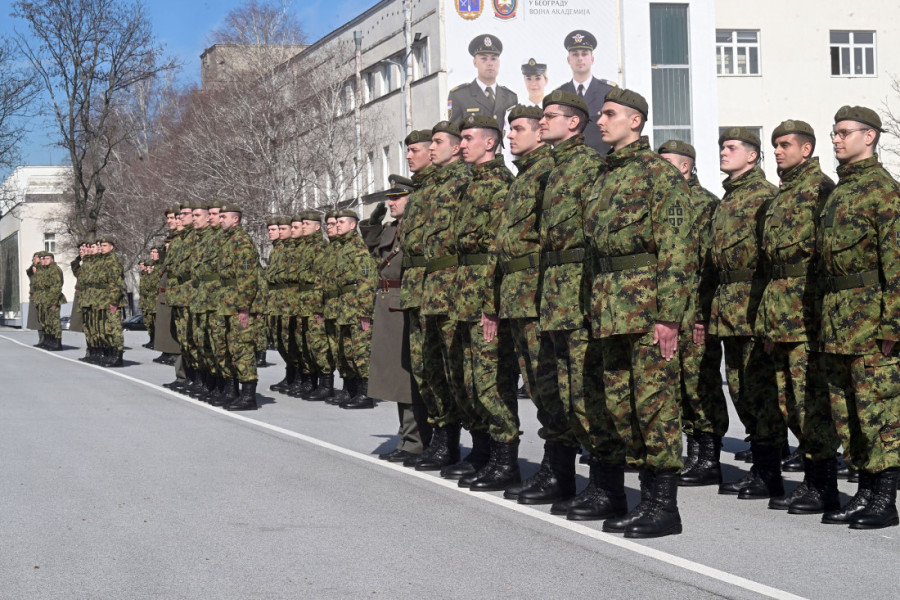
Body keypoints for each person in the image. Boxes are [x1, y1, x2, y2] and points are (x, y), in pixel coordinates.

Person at [585, 88, 695, 538]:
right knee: (621, 405)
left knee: (656, 405)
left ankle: (664, 507)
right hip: (609, 309)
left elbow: (678, 249)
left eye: (609, 114)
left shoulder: (659, 175)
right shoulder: (606, 177)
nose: (600, 120)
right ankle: (644, 499)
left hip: (648, 309)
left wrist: (669, 316)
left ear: (635, 121)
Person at [519, 90, 605, 512]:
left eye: (549, 116)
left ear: (574, 123)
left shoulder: (589, 167)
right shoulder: (555, 170)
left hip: (575, 292)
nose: (542, 124)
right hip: (552, 292)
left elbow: (594, 237)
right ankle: (560, 472)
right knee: (552, 390)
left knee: (582, 391)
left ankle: (602, 484)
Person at [818, 106, 900, 529]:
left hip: (871, 322)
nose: (836, 139)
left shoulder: (884, 191)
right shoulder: (840, 191)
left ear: (869, 137)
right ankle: (864, 492)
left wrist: (893, 326)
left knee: (878, 411)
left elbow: (898, 264)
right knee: (847, 411)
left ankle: (885, 499)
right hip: (837, 321)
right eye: (834, 132)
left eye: (844, 132)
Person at [755, 120, 841, 514]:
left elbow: (825, 261)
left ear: (806, 149)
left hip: (806, 315)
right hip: (780, 314)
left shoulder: (821, 191)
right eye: (774, 144)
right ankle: (812, 479)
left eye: (785, 144)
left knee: (812, 402)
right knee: (789, 401)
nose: (777, 150)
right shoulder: (783, 195)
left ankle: (823, 484)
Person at [497, 104, 579, 501]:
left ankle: (560, 471)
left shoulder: (549, 173)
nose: (510, 135)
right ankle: (555, 468)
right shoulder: (525, 177)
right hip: (520, 294)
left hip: (539, 292)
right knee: (539, 387)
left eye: (518, 128)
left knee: (552, 387)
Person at [706, 128, 783, 499]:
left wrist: (769, 317)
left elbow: (771, 261)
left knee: (761, 393)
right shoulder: (729, 198)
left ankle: (770, 473)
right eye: (722, 146)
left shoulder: (764, 197)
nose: (724, 152)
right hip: (730, 311)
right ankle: (762, 468)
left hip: (753, 310)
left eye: (731, 147)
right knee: (741, 391)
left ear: (752, 156)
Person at [449, 115, 518, 491]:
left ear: (489, 144)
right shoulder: (471, 185)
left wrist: (490, 305)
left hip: (484, 297)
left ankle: (504, 459)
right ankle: (483, 451)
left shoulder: (499, 185)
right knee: (470, 379)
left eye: (468, 139)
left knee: (492, 381)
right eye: (460, 139)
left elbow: (497, 249)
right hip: (465, 293)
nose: (462, 145)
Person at [657, 140, 729, 487]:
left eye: (668, 164)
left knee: (701, 383)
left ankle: (709, 456)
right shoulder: (663, 200)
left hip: (696, 310)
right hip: (671, 310)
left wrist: (702, 315)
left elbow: (709, 266)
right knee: (677, 385)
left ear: (685, 167)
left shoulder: (705, 204)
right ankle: (693, 451)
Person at [360, 176, 432, 456]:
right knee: (395, 376)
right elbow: (371, 241)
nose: (391, 203)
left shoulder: (418, 229)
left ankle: (416, 440)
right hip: (388, 303)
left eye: (397, 198)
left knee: (407, 376)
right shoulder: (391, 229)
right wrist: (375, 216)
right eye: (389, 198)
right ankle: (408, 436)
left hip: (405, 302)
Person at [415, 120, 471, 472]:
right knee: (431, 369)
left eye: (437, 142)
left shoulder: (463, 182)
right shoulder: (431, 186)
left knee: (458, 371)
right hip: (428, 287)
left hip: (451, 286)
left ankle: (461, 444)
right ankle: (442, 437)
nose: (430, 148)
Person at [396, 130, 445, 466]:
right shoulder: (422, 192)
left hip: (439, 291)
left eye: (415, 150)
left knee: (447, 372)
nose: (410, 156)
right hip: (418, 292)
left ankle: (452, 444)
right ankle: (439, 441)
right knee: (424, 370)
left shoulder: (443, 190)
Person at [330, 210, 377, 409]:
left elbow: (367, 280)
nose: (337, 225)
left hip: (356, 307)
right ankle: (350, 389)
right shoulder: (342, 247)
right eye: (337, 222)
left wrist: (364, 312)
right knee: (345, 351)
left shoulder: (358, 248)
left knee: (361, 350)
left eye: (342, 222)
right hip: (344, 306)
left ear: (352, 225)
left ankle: (366, 393)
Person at [217, 204, 261, 411]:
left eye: (224, 216)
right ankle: (233, 390)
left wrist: (244, 308)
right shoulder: (227, 241)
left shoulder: (242, 242)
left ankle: (249, 395)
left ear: (236, 219)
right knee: (229, 348)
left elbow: (247, 278)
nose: (220, 220)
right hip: (226, 303)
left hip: (237, 304)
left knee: (242, 348)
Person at [556, 30, 616, 154]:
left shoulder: (608, 91)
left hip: (601, 161)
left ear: (592, 59)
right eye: (575, 54)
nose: (580, 58)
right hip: (568, 162)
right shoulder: (560, 94)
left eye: (584, 54)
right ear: (568, 59)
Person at [448, 34, 518, 127]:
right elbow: (454, 134)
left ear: (499, 62)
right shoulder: (459, 96)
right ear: (475, 62)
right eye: (484, 59)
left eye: (493, 59)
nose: (490, 63)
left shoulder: (510, 97)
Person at [95, 238, 126, 367]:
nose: (102, 248)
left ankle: (118, 356)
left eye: (105, 245)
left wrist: (113, 302)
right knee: (105, 329)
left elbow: (116, 284)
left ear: (112, 247)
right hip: (102, 300)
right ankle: (110, 354)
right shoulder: (102, 261)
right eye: (101, 245)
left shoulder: (113, 262)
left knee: (114, 329)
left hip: (111, 301)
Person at [32, 252, 66, 351]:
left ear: (52, 259)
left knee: (54, 322)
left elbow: (56, 287)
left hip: (51, 299)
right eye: (42, 259)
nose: (44, 261)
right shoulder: (42, 270)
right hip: (42, 299)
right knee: (45, 321)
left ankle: (57, 343)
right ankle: (48, 341)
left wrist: (54, 302)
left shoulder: (54, 270)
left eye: (46, 258)